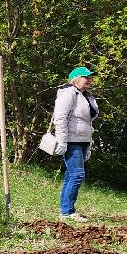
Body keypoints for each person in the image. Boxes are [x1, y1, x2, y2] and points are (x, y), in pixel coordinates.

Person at [52, 66, 98, 222]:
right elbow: (60, 118)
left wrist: (89, 144)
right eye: (87, 77)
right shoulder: (68, 93)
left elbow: (88, 122)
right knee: (78, 175)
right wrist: (62, 141)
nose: (90, 80)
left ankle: (64, 209)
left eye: (90, 77)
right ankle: (68, 211)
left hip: (83, 140)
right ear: (76, 78)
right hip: (72, 141)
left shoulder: (86, 96)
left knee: (70, 176)